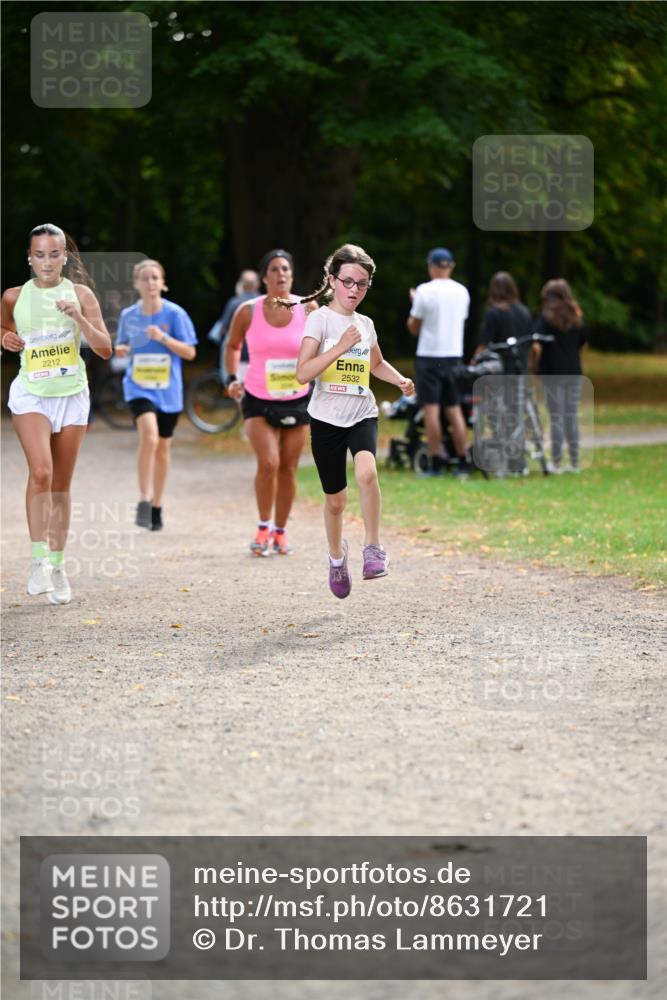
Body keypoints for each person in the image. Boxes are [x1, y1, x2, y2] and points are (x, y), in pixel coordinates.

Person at [292, 244, 414, 599]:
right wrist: (340, 347)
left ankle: (373, 549)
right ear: (332, 281)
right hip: (326, 418)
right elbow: (303, 373)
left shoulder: (367, 324)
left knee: (367, 473)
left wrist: (400, 380)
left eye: (362, 284)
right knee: (336, 501)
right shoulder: (320, 320)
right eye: (347, 281)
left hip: (362, 411)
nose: (354, 290)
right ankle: (336, 557)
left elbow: (375, 364)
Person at [1, 223, 112, 604]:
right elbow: (3, 327)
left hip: (71, 396)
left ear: (65, 256)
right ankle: (37, 561)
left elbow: (104, 349)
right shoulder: (14, 296)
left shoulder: (80, 294)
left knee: (61, 486)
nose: (46, 262)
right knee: (42, 471)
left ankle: (59, 566)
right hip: (32, 392)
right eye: (39, 255)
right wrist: (4, 337)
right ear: (29, 258)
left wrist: (78, 318)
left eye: (54, 254)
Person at [224, 249, 313, 556]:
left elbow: (325, 347)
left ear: (292, 274)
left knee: (288, 467)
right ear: (264, 277)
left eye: (286, 269)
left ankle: (281, 532)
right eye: (274, 269)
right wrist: (232, 377)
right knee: (269, 462)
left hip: (297, 398)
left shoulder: (308, 308)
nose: (281, 274)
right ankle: (263, 527)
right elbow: (233, 345)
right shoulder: (248, 311)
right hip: (258, 397)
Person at [115, 260, 197, 531]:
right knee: (148, 436)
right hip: (138, 386)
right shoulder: (129, 315)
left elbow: (190, 353)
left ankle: (157, 505)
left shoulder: (175, 315)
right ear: (137, 284)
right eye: (145, 278)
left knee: (162, 448)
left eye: (155, 278)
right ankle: (143, 499)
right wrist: (122, 350)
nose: (150, 283)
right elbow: (121, 345)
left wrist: (163, 339)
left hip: (168, 391)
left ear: (163, 283)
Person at [407, 247, 471, 477]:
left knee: (431, 410)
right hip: (453, 355)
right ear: (451, 266)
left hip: (429, 355)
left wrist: (414, 303)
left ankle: (436, 461)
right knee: (454, 409)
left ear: (431, 267)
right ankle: (463, 460)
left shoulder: (424, 291)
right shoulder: (462, 292)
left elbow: (414, 327)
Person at [534, 279, 586, 473]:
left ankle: (556, 462)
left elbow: (537, 346)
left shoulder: (545, 319)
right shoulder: (576, 317)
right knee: (570, 416)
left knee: (555, 416)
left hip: (552, 373)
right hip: (573, 372)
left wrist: (536, 366)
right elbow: (582, 343)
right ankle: (574, 461)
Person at [207, 269, 260, 374]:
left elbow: (221, 329)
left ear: (241, 284)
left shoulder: (234, 303)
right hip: (260, 357)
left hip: (238, 357)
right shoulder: (265, 303)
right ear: (257, 285)